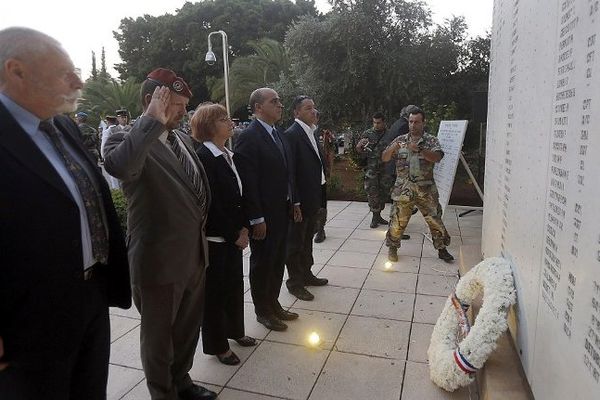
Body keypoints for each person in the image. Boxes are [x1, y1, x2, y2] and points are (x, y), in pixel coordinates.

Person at [0, 27, 131, 399]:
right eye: (64, 73)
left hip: (89, 298)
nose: (78, 81)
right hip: (28, 322)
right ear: (17, 71)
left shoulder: (61, 125)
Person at [104, 68, 215, 400]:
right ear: (148, 102)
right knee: (158, 339)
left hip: (194, 254)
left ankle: (181, 381)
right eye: (174, 104)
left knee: (186, 330)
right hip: (158, 261)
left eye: (183, 105)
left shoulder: (180, 138)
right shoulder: (124, 138)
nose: (182, 112)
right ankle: (162, 393)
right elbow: (121, 166)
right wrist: (151, 120)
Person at [191, 103, 257, 366]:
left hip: (234, 236)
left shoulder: (227, 154)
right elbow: (211, 203)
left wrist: (245, 228)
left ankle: (235, 331)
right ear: (208, 126)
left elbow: (239, 198)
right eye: (223, 118)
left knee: (233, 287)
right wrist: (234, 233)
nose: (230, 122)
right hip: (217, 238)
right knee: (215, 295)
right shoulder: (204, 158)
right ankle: (218, 345)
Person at [234, 87, 298, 331]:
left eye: (280, 100)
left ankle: (274, 303)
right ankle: (263, 310)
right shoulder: (249, 137)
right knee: (263, 263)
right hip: (264, 215)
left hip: (281, 210)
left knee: (278, 260)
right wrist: (256, 218)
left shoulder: (277, 133)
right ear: (258, 107)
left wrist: (293, 202)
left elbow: (286, 172)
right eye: (274, 101)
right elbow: (248, 183)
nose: (280, 105)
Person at [381, 108, 454, 263]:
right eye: (411, 122)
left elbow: (437, 158)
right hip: (403, 189)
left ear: (423, 123)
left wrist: (419, 149)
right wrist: (393, 147)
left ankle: (442, 248)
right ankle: (393, 247)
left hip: (426, 189)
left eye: (417, 122)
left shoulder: (431, 140)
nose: (413, 125)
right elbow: (385, 158)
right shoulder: (400, 139)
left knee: (435, 220)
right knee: (397, 221)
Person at [284, 95, 329, 301]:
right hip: (301, 199)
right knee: (296, 243)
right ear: (296, 113)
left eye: (314, 107)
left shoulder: (311, 131)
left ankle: (307, 273)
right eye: (308, 108)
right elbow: (290, 172)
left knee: (308, 239)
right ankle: (295, 282)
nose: (314, 111)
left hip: (315, 195)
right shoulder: (292, 134)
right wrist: (296, 201)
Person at [355, 112, 398, 229]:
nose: (376, 125)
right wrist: (359, 146)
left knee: (384, 193)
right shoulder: (368, 134)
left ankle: (378, 215)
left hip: (386, 169)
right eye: (374, 122)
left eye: (379, 123)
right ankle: (374, 216)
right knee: (372, 192)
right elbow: (359, 150)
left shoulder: (390, 135)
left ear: (384, 122)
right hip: (372, 169)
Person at [313, 120, 335, 243]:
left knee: (322, 205)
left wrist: (328, 171)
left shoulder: (321, 134)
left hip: (321, 177)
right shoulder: (302, 133)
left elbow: (329, 153)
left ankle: (321, 229)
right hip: (308, 179)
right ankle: (315, 227)